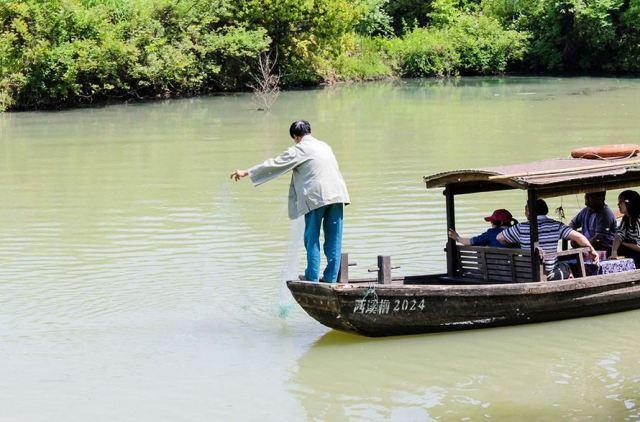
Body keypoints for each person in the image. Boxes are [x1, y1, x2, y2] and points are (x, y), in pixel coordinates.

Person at [230, 120, 350, 283]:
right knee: (334, 238)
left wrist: (246, 172)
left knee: (311, 236)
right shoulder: (324, 146)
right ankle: (330, 278)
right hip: (338, 194)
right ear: (310, 131)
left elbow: (274, 164)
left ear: (295, 137)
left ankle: (312, 276)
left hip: (317, 196)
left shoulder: (299, 149)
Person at [496, 199, 599, 281]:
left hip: (527, 274)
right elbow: (579, 237)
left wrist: (519, 245)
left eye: (525, 209)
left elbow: (499, 238)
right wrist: (592, 250)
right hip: (549, 275)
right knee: (566, 266)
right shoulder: (556, 225)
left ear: (529, 211)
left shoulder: (520, 228)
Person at [448, 209, 515, 247]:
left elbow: (470, 242)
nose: (491, 223)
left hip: (494, 268)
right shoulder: (517, 231)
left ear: (501, 223)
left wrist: (457, 238)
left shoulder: (491, 233)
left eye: (492, 221)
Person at [611, 190, 640, 266]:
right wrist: (614, 251)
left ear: (629, 203)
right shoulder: (626, 219)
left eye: (621, 202)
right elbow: (619, 235)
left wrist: (624, 243)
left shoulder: (638, 219)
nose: (618, 204)